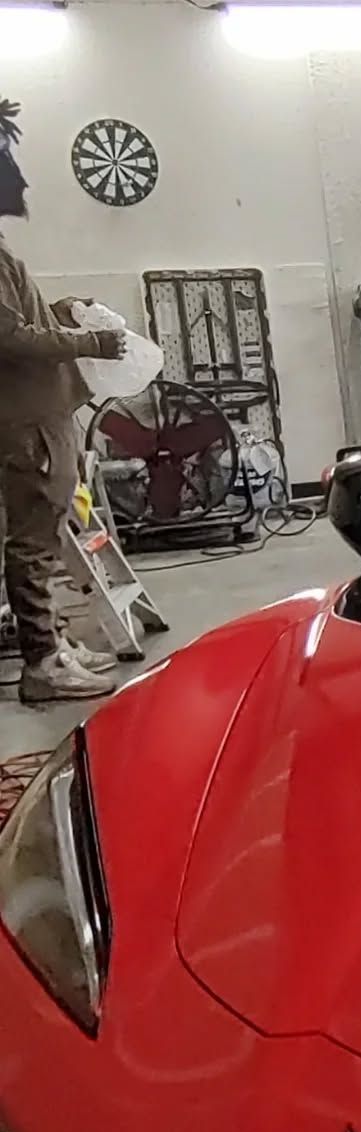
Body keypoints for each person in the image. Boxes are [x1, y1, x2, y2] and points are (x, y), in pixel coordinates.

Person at [0, 95, 127, 704]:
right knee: (32, 541)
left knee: (48, 534)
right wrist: (91, 340)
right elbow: (10, 338)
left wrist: (60, 312)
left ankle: (52, 642)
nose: (19, 177)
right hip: (25, 423)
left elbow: (22, 322)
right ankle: (42, 663)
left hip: (41, 416)